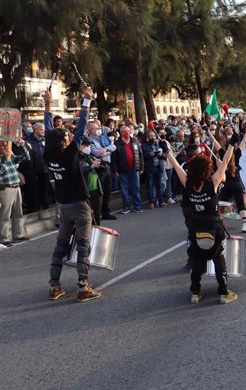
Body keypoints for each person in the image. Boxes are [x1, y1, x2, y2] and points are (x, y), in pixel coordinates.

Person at [44, 87, 102, 302]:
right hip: (78, 205)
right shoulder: (68, 155)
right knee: (83, 245)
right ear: (63, 143)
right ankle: (83, 286)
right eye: (66, 137)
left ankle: (54, 285)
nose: (69, 138)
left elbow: (51, 131)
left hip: (63, 206)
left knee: (60, 245)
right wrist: (86, 101)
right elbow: (81, 129)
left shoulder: (48, 154)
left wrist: (48, 105)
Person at [166, 138, 237, 304]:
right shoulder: (213, 183)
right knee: (218, 257)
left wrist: (168, 151)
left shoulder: (187, 183)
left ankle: (195, 293)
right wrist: (231, 144)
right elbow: (225, 161)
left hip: (195, 228)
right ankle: (224, 292)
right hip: (214, 227)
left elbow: (176, 166)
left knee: (197, 260)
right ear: (207, 169)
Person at [0, 139, 30, 247]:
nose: (6, 148)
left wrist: (23, 146)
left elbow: (26, 158)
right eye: (3, 146)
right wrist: (4, 158)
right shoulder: (2, 160)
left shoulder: (11, 157)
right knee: (5, 214)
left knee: (18, 212)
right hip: (5, 188)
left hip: (16, 186)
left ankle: (18, 234)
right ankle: (4, 238)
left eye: (6, 146)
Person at [113, 125, 144, 214]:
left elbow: (140, 154)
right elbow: (114, 159)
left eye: (128, 131)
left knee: (136, 188)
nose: (126, 133)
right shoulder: (117, 144)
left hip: (135, 168)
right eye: (124, 131)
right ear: (121, 133)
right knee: (124, 189)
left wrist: (142, 167)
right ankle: (126, 207)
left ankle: (137, 206)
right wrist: (115, 170)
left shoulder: (135, 141)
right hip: (122, 170)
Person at [141, 130, 168, 209]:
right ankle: (151, 202)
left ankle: (161, 201)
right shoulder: (144, 146)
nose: (153, 137)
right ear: (147, 137)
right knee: (150, 186)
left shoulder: (159, 144)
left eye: (154, 136)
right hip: (150, 168)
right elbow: (142, 157)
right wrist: (149, 154)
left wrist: (160, 154)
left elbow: (165, 156)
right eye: (151, 136)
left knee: (159, 185)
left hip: (159, 167)